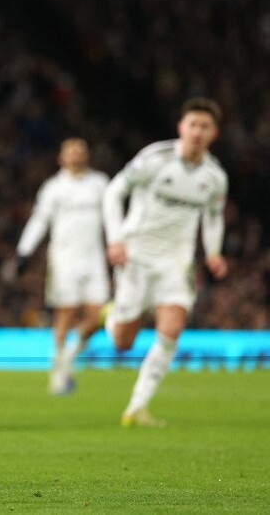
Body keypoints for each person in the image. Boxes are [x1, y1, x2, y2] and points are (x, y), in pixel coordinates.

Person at [103, 97, 228, 428]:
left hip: (177, 261)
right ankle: (111, 316)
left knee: (171, 330)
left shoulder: (215, 176)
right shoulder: (155, 158)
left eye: (205, 126)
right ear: (181, 127)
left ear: (214, 133)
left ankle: (136, 407)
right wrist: (115, 239)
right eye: (193, 124)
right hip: (136, 253)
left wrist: (213, 252)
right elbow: (114, 192)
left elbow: (213, 216)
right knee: (122, 342)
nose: (198, 132)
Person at [14, 138, 109, 395]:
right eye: (71, 151)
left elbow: (112, 218)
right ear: (61, 158)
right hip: (64, 259)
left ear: (87, 156)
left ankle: (66, 359)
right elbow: (39, 220)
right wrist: (24, 251)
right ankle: (58, 371)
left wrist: (118, 244)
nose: (76, 155)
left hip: (94, 259)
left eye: (81, 151)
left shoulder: (100, 184)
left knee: (97, 316)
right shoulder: (53, 188)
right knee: (65, 314)